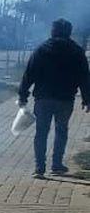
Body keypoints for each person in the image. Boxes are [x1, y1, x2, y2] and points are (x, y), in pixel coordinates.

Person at [18, 17, 90, 178]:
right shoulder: (77, 52)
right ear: (69, 33)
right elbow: (84, 77)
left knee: (41, 132)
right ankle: (56, 165)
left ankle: (39, 167)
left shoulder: (42, 50)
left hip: (43, 99)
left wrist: (23, 95)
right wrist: (87, 99)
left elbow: (29, 74)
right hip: (65, 99)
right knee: (61, 131)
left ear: (53, 31)